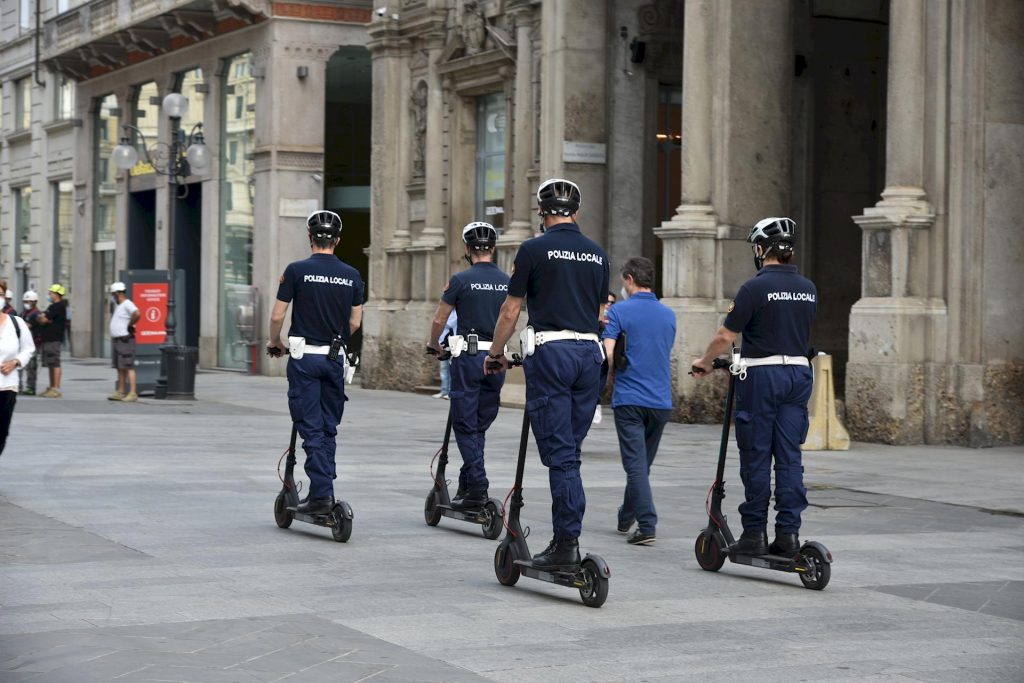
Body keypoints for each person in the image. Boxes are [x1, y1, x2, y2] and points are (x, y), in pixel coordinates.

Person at [486, 178, 610, 569]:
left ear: (542, 212)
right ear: (576, 210)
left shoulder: (533, 249)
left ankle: (566, 544)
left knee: (561, 458)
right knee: (569, 452)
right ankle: (565, 536)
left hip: (552, 354)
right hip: (589, 354)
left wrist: (495, 353)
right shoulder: (597, 253)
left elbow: (511, 310)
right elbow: (599, 313)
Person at [691, 217, 816, 557]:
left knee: (757, 455)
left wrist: (704, 362)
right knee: (789, 457)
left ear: (762, 249)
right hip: (799, 375)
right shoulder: (808, 288)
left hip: (762, 378)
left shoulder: (754, 288)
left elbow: (724, 336)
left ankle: (754, 533)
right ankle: (789, 534)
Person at [267, 210, 364, 515]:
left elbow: (277, 315)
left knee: (310, 426)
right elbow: (355, 322)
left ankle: (322, 494)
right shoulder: (352, 274)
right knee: (328, 426)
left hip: (304, 358)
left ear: (310, 239)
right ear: (338, 240)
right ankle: (324, 484)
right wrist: (334, 337)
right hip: (334, 358)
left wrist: (275, 343)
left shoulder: (296, 270)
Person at [428, 222, 510, 509]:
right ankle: (467, 482)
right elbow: (511, 317)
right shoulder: (506, 280)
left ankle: (477, 485)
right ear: (493, 248)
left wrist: (434, 344)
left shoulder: (461, 279)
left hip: (469, 358)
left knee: (464, 424)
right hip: (496, 359)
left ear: (467, 249)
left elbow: (440, 319)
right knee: (479, 426)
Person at [600, 257, 675, 546]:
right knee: (641, 465)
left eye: (623, 280)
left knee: (635, 465)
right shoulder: (669, 314)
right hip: (661, 401)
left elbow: (608, 352)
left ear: (630, 279)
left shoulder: (619, 311)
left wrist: (604, 381)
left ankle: (647, 524)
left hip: (630, 399)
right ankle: (625, 516)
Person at [0, 298, 35, 456]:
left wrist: (16, 362)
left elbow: (28, 349)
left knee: (2, 432)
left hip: (7, 386)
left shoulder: (16, 323)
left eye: (0, 293)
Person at [108, 282, 141, 402]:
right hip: (118, 340)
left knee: (128, 366)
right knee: (120, 367)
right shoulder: (120, 305)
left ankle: (132, 393)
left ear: (117, 294)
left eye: (113, 294)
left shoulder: (127, 304)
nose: (112, 297)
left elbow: (137, 313)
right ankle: (121, 392)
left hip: (125, 339)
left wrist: (130, 324)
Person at [37, 284, 68, 398]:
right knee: (50, 363)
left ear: (56, 294)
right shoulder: (53, 306)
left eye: (51, 293)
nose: (49, 294)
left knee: (55, 363)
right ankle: (51, 387)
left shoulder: (58, 306)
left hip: (54, 339)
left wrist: (44, 319)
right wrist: (44, 319)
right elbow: (43, 318)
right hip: (48, 338)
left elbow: (44, 318)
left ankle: (56, 388)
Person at [20, 291, 43, 396]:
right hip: (21, 344)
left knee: (31, 367)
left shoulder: (36, 314)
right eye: (25, 301)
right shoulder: (23, 313)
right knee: (20, 366)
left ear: (34, 302)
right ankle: (19, 386)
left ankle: (31, 387)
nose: (27, 303)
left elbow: (28, 326)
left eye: (29, 301)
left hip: (32, 344)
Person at [433, 309, 457, 399]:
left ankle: (450, 391)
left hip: (454, 342)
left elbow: (451, 324)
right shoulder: (447, 311)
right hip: (444, 342)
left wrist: (442, 319)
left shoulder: (457, 311)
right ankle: (444, 390)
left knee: (452, 368)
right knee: (444, 368)